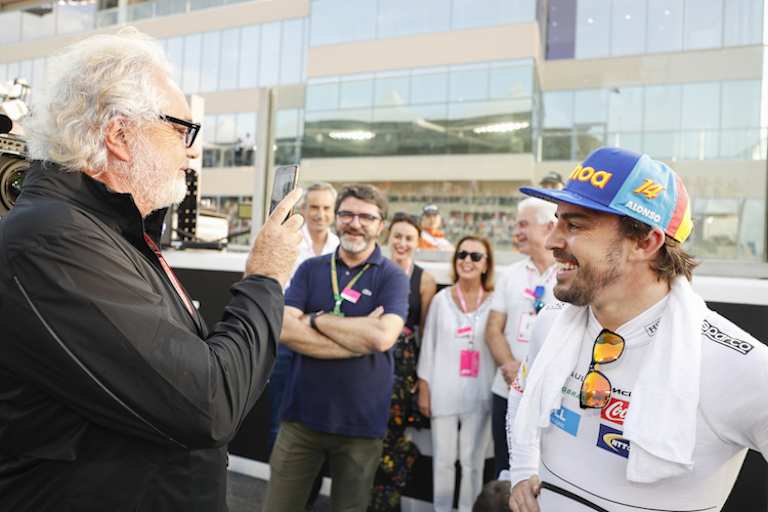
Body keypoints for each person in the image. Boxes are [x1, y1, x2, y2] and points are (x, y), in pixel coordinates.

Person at [0, 29, 304, 511]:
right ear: (120, 135)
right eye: (183, 130)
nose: (192, 151)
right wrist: (265, 277)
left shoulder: (103, 231)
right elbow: (207, 403)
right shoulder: (53, 239)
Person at [507, 147, 768, 512]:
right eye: (557, 220)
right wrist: (521, 470)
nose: (552, 241)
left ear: (645, 242)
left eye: (575, 224)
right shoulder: (550, 322)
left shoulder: (739, 365)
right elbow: (522, 393)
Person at [265, 184, 410, 511]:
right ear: (337, 218)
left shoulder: (392, 277)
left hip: (361, 425)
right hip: (301, 419)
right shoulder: (310, 269)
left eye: (366, 216)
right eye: (347, 214)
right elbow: (285, 328)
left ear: (380, 225)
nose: (354, 223)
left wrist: (317, 320)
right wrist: (359, 337)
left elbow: (382, 338)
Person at [417, 236, 496, 512]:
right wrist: (424, 387)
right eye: (462, 254)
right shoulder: (441, 300)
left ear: (486, 265)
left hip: (480, 392)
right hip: (444, 390)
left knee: (473, 463)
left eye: (476, 256)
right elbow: (428, 346)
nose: (467, 261)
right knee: (443, 461)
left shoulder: (496, 302)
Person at [369, 212, 437, 512]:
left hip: (404, 370)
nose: (402, 242)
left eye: (409, 237)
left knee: (395, 438)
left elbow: (425, 331)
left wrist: (420, 381)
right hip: (370, 360)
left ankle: (386, 502)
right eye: (397, 236)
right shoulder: (373, 271)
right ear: (388, 237)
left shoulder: (425, 280)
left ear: (417, 242)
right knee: (369, 433)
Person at [485, 198, 557, 478]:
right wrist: (512, 368)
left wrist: (533, 375)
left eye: (524, 224)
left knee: (542, 475)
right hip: (506, 389)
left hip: (548, 397)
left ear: (550, 227)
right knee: (505, 469)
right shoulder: (510, 275)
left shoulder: (569, 275)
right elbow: (493, 329)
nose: (517, 231)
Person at [269, 182, 339, 451]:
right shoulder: (290, 242)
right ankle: (280, 489)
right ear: (304, 209)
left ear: (333, 212)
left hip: (326, 341)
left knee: (319, 420)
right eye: (314, 207)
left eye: (325, 208)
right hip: (287, 342)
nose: (320, 214)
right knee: (281, 417)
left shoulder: (340, 247)